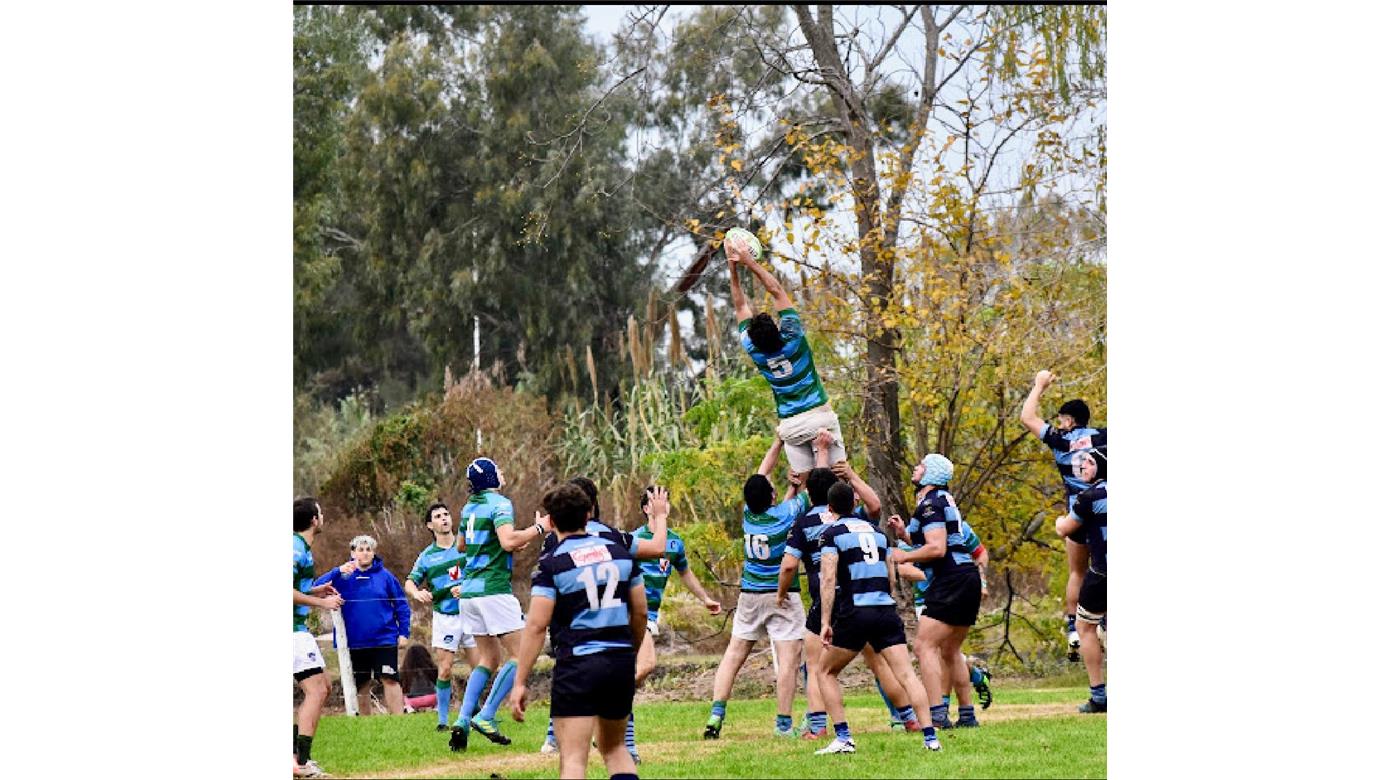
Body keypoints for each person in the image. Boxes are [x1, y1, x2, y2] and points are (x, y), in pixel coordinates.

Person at [508, 483, 658, 780]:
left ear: (550, 522)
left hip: (578, 664)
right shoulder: (620, 554)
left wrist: (520, 681)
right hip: (618, 661)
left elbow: (537, 625)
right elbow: (640, 610)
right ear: (589, 514)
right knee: (615, 749)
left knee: (574, 760)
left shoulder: (553, 564)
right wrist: (631, 648)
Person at [776, 434, 920, 739]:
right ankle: (909, 718)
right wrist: (831, 458)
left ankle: (818, 727)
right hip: (861, 597)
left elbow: (788, 564)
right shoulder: (853, 518)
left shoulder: (803, 522)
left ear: (809, 495)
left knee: (817, 665)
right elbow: (875, 505)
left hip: (828, 600)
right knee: (879, 661)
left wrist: (781, 594)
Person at [538, 477, 682, 762]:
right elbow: (656, 548)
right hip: (611, 626)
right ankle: (619, 745)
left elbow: (544, 587)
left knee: (587, 679)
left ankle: (563, 737)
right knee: (623, 674)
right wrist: (661, 517)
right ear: (591, 506)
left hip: (571, 631)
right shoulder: (611, 536)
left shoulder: (554, 538)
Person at [813, 482, 939, 755]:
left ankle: (844, 738)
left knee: (824, 671)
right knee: (907, 674)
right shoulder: (879, 533)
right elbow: (891, 576)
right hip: (884, 610)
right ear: (854, 504)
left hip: (855, 611)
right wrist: (886, 602)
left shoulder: (831, 534)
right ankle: (931, 737)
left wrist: (825, 622)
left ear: (830, 508)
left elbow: (829, 578)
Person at [703, 438, 810, 740]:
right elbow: (811, 485)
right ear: (773, 496)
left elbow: (764, 475)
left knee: (734, 654)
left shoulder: (749, 516)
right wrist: (803, 474)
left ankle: (715, 714)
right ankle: (783, 725)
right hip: (781, 595)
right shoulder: (786, 514)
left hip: (749, 595)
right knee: (788, 660)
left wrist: (777, 442)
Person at [447, 457, 554, 751]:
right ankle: (487, 715)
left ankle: (462, 721)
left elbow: (461, 547)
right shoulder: (500, 503)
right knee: (523, 655)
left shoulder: (469, 506)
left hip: (469, 593)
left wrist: (514, 540)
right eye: (499, 468)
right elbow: (507, 541)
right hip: (493, 590)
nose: (503, 472)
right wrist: (539, 527)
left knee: (488, 659)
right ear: (492, 476)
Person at [726, 232, 846, 479]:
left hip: (790, 427)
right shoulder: (793, 339)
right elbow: (777, 291)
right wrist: (750, 262)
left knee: (805, 486)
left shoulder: (755, 351)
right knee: (839, 479)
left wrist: (732, 268)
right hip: (818, 417)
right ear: (778, 328)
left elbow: (740, 306)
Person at [888, 454, 982, 731]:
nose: (916, 469)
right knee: (951, 650)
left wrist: (901, 557)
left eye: (921, 466)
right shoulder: (942, 500)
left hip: (951, 579)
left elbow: (937, 549)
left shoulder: (930, 503)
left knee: (923, 647)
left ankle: (937, 714)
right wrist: (906, 534)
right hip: (967, 577)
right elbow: (935, 540)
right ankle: (967, 715)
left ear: (932, 475)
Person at [1019, 370, 1107, 660]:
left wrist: (1039, 385)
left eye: (1061, 419)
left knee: (1078, 571)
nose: (1059, 423)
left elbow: (1027, 418)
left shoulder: (1061, 440)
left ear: (1069, 420)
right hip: (1106, 509)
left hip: (1077, 513)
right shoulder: (1104, 437)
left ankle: (1073, 627)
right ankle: (1104, 622)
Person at [895, 531, 995, 719]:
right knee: (944, 652)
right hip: (926, 599)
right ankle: (974, 679)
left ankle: (944, 711)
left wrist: (981, 580)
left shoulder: (960, 527)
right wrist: (931, 575)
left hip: (955, 592)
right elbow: (902, 568)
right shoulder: (914, 529)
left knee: (944, 651)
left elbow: (981, 553)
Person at [313, 534, 411, 716]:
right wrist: (337, 570)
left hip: (384, 639)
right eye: (360, 550)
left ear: (374, 553)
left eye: (368, 550)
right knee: (361, 684)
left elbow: (402, 605)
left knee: (390, 679)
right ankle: (365, 723)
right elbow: (315, 588)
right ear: (352, 553)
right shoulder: (341, 577)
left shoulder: (386, 577)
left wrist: (403, 633)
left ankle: (399, 720)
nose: (365, 553)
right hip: (354, 642)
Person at [404, 502, 477, 731]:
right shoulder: (427, 556)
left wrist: (467, 586)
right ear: (430, 525)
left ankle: (473, 714)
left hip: (472, 612)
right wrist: (417, 592)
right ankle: (443, 721)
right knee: (445, 669)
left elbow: (483, 569)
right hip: (446, 616)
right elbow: (409, 581)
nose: (444, 518)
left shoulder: (466, 545)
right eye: (438, 516)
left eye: (446, 514)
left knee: (479, 668)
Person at [293, 497, 344, 779]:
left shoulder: (302, 548)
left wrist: (316, 590)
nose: (323, 517)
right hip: (292, 631)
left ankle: (298, 759)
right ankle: (301, 763)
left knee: (322, 685)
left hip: (297, 629)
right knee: (318, 690)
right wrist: (322, 604)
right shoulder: (295, 548)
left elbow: (295, 587)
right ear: (314, 520)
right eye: (321, 513)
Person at [1054, 449, 1108, 713]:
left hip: (1103, 574)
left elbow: (1065, 529)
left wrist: (1058, 520)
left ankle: (1099, 696)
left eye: (1090, 462)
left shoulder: (1090, 496)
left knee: (1085, 628)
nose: (1083, 465)